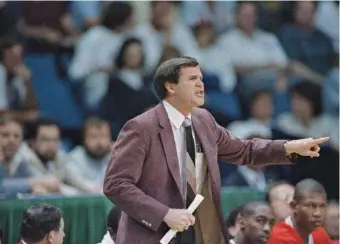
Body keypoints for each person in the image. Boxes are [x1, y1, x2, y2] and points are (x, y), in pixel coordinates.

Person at [103, 57, 330, 244]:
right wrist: (164, 214)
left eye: (201, 78)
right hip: (156, 235)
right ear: (171, 87)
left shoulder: (204, 119)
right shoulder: (141, 127)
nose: (201, 84)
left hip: (202, 232)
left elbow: (244, 150)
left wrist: (288, 147)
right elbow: (116, 185)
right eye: (192, 79)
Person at [267, 178, 332, 244]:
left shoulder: (319, 233)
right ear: (294, 206)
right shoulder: (279, 237)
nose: (318, 213)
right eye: (310, 206)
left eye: (322, 206)